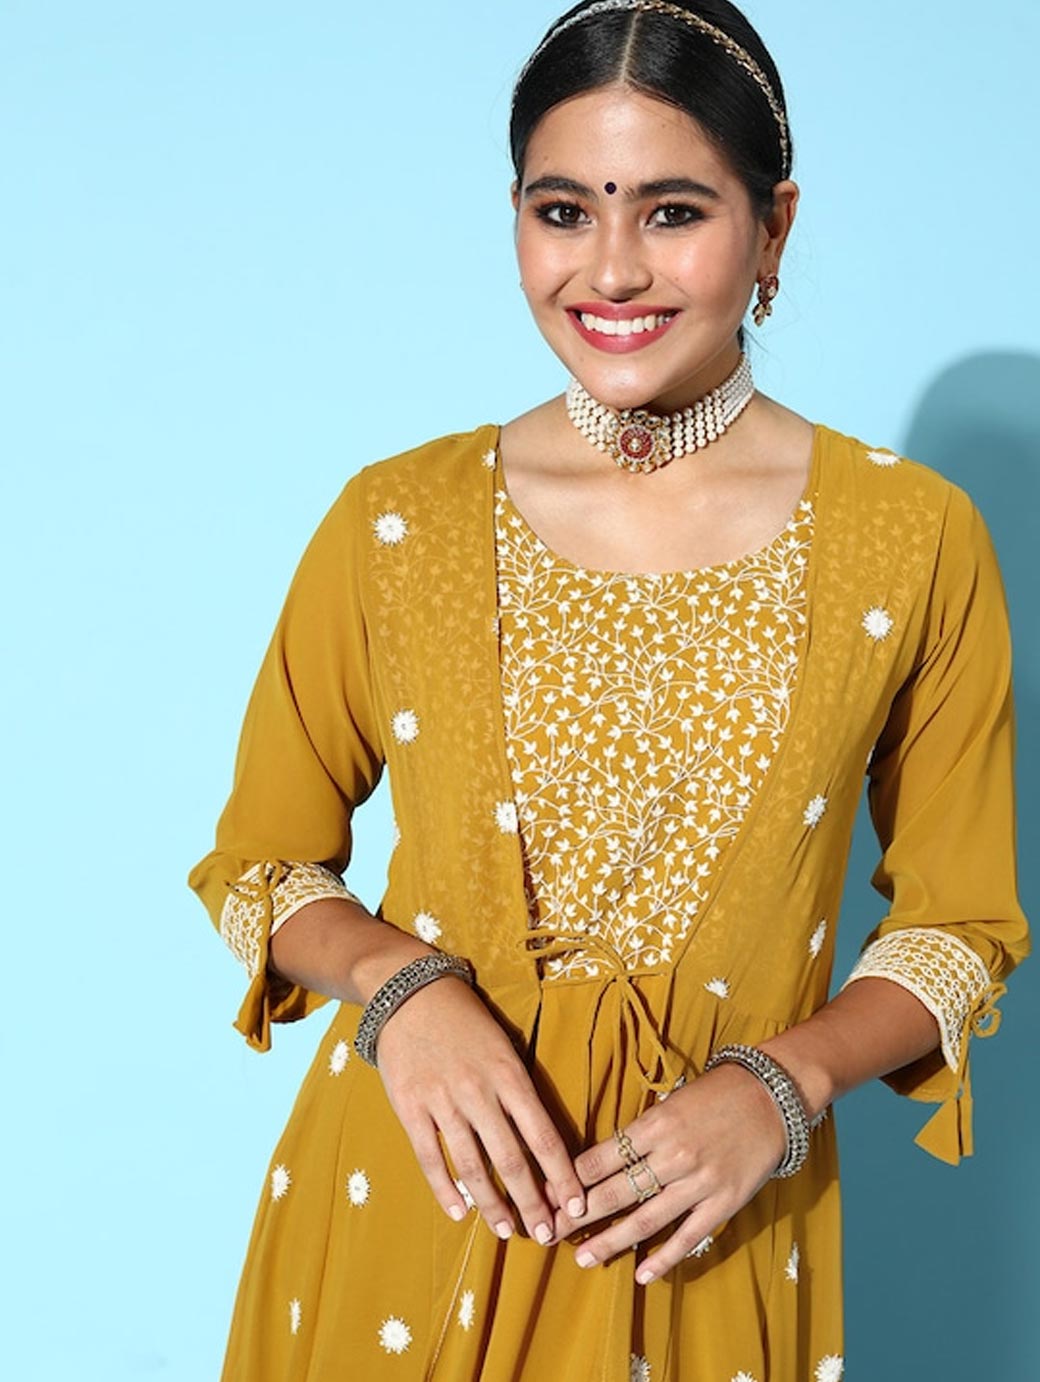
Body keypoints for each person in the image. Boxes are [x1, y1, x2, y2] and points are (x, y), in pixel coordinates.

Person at [189, 2, 1030, 1377]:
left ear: (774, 228)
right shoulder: (400, 523)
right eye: (564, 211)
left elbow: (958, 926)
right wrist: (401, 988)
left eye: (674, 211)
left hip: (708, 1232)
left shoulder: (911, 539)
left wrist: (786, 1082)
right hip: (407, 1205)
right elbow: (258, 867)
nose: (613, 269)